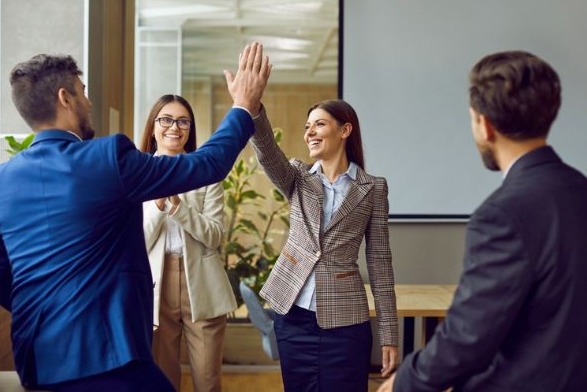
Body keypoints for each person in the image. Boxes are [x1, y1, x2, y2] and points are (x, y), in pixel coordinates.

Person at [0, 42, 271, 391]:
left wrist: (46, 307)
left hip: (37, 360)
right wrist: (243, 105)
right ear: (64, 98)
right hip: (107, 355)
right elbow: (207, 164)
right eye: (83, 93)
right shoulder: (107, 158)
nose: (89, 102)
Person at [379, 51, 587, 392]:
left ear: (485, 125)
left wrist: (405, 381)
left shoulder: (501, 215)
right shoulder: (579, 188)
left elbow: (468, 338)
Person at [225, 95, 399, 391]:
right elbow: (267, 152)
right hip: (292, 314)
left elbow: (379, 262)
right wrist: (253, 109)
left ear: (345, 130)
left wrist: (389, 334)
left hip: (346, 319)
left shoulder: (373, 188)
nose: (310, 133)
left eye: (320, 124)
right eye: (308, 127)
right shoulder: (298, 176)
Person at [139, 94, 236, 392]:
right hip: (155, 284)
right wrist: (157, 206)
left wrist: (180, 209)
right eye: (166, 119)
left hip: (202, 284)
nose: (174, 127)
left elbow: (215, 236)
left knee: (207, 380)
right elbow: (135, 243)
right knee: (163, 380)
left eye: (182, 121)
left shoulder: (205, 173)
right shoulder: (137, 173)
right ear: (153, 126)